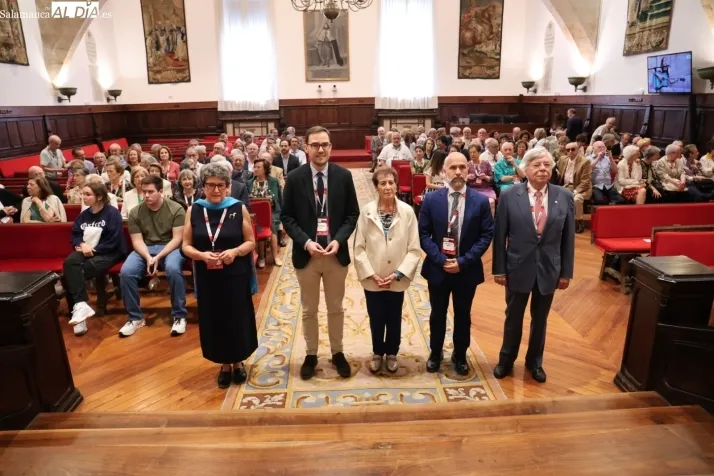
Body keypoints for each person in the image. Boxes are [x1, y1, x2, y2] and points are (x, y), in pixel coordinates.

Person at [280, 125, 360, 380]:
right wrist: (306, 242)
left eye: (324, 144)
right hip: (308, 256)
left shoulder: (343, 176)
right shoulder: (294, 178)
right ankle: (311, 354)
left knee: (336, 307)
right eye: (315, 145)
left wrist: (338, 240)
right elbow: (287, 217)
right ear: (306, 148)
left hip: (335, 254)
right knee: (309, 309)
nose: (320, 149)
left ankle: (337, 352)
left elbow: (352, 214)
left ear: (331, 147)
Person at [492, 147, 575, 384]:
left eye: (547, 165)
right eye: (537, 165)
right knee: (513, 317)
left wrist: (566, 272)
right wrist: (499, 269)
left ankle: (535, 362)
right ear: (526, 169)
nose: (542, 169)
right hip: (517, 266)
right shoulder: (509, 195)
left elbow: (568, 238)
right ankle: (506, 360)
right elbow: (500, 235)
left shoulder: (564, 196)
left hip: (549, 268)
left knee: (540, 320)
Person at [181, 164, 258, 388]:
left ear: (227, 187)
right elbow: (186, 246)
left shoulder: (238, 208)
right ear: (203, 187)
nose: (216, 190)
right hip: (208, 276)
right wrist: (202, 256)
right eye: (211, 185)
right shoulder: (194, 210)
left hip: (235, 274)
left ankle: (238, 361)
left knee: (237, 317)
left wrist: (235, 252)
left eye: (220, 185)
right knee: (216, 319)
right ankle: (224, 364)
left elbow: (251, 242)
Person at [418, 152, 495, 376]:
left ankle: (460, 355)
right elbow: (423, 235)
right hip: (438, 268)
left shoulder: (480, 201)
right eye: (453, 168)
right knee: (437, 314)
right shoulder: (431, 200)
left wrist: (463, 261)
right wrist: (441, 259)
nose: (458, 172)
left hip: (466, 270)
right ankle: (435, 353)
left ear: (468, 170)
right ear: (444, 171)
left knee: (463, 314)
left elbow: (486, 235)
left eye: (462, 167)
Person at [354, 168, 421, 374]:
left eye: (391, 182)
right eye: (382, 183)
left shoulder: (407, 212)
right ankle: (377, 352)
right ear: (376, 187)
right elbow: (359, 247)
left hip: (396, 277)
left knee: (394, 316)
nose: (388, 187)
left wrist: (398, 274)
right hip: (373, 277)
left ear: (396, 185)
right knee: (375, 317)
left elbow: (414, 249)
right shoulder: (366, 211)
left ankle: (392, 352)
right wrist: (371, 274)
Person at [119, 175, 187, 338]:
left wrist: (158, 257)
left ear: (161, 191)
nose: (146, 195)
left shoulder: (176, 209)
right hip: (146, 248)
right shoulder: (135, 212)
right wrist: (148, 257)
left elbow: (177, 239)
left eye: (150, 192)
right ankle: (135, 318)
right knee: (126, 272)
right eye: (144, 192)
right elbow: (137, 241)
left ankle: (179, 315)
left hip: (170, 247)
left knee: (173, 269)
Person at [63, 182, 126, 336]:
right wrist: (82, 244)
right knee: (69, 263)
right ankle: (80, 309)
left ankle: (79, 313)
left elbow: (114, 240)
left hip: (109, 252)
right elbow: (75, 235)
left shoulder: (112, 213)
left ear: (99, 197)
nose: (83, 197)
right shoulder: (84, 215)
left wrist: (93, 249)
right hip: (86, 249)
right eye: (83, 194)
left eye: (88, 194)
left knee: (75, 275)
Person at [248, 157, 283, 268]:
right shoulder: (249, 182)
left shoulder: (273, 181)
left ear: (265, 169)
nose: (255, 169)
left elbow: (278, 198)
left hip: (272, 211)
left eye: (258, 167)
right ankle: (261, 257)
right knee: (258, 226)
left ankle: (275, 256)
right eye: (255, 167)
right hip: (254, 213)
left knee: (271, 225)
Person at [557, 142, 592, 233]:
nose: (570, 151)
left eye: (572, 149)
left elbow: (585, 182)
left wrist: (575, 192)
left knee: (576, 199)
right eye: (568, 150)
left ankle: (579, 221)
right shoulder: (563, 159)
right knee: (555, 198)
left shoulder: (585, 162)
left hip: (581, 188)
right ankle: (561, 222)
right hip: (566, 186)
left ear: (577, 150)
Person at [589, 141, 623, 205]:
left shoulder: (607, 158)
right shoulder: (588, 158)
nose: (602, 149)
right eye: (599, 147)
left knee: (621, 200)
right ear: (593, 148)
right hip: (596, 186)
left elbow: (615, 170)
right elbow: (588, 169)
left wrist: (611, 158)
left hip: (608, 186)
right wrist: (598, 158)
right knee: (599, 200)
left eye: (603, 147)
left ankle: (610, 206)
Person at [466, 143, 496, 216]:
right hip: (472, 189)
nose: (472, 154)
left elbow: (492, 179)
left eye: (474, 152)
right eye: (470, 153)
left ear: (479, 153)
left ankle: (490, 221)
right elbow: (463, 180)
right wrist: (467, 177)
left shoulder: (486, 163)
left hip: (486, 189)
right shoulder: (467, 165)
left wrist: (485, 177)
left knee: (491, 202)